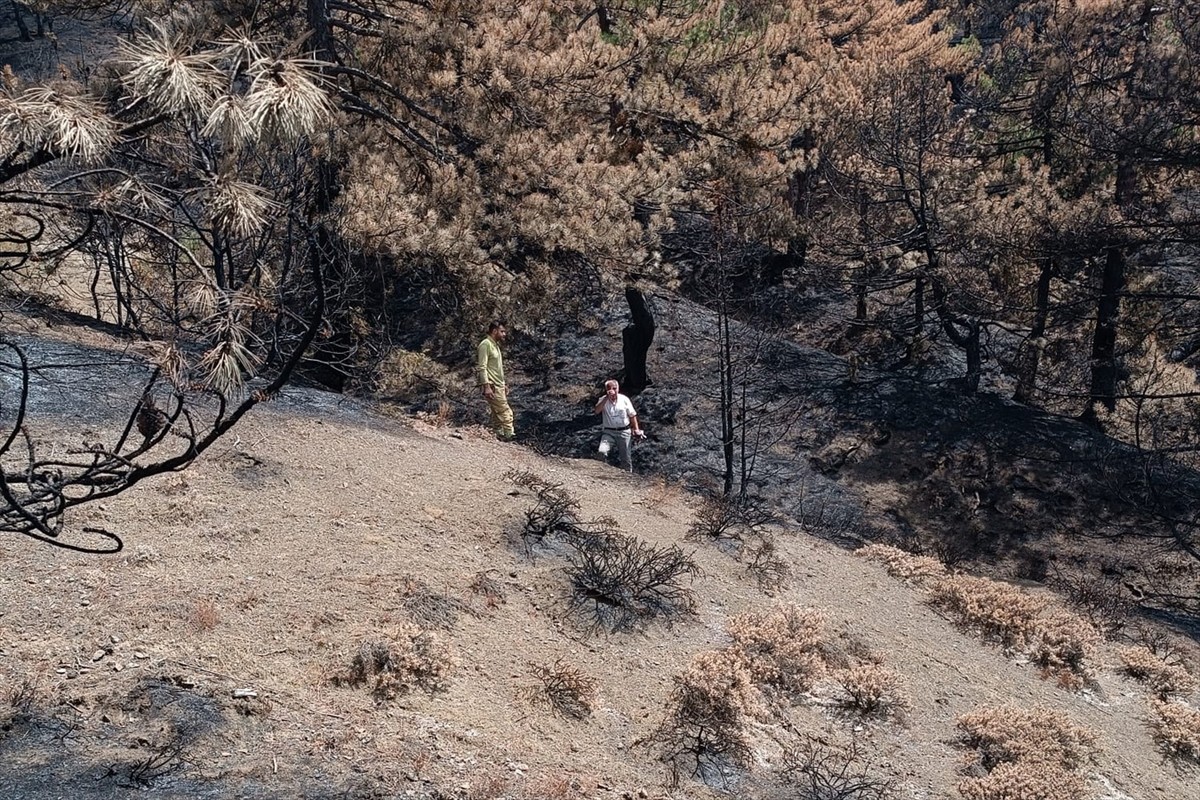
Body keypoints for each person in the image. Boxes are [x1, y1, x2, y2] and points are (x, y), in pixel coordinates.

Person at [594, 379, 645, 472]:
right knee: (602, 451)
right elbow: (597, 411)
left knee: (626, 458)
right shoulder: (602, 400)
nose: (612, 390)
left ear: (618, 388)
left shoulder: (624, 399)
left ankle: (628, 478)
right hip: (608, 432)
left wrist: (636, 429)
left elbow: (632, 415)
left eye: (614, 388)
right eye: (609, 388)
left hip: (624, 432)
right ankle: (601, 473)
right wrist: (606, 398)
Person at [476, 321, 514, 440]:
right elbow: (482, 367)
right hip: (492, 386)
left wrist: (503, 384)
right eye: (502, 331)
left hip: (499, 385)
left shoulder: (495, 345)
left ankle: (499, 435)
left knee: (496, 412)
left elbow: (496, 368)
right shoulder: (485, 345)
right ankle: (509, 436)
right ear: (494, 331)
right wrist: (486, 386)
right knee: (506, 412)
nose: (504, 334)